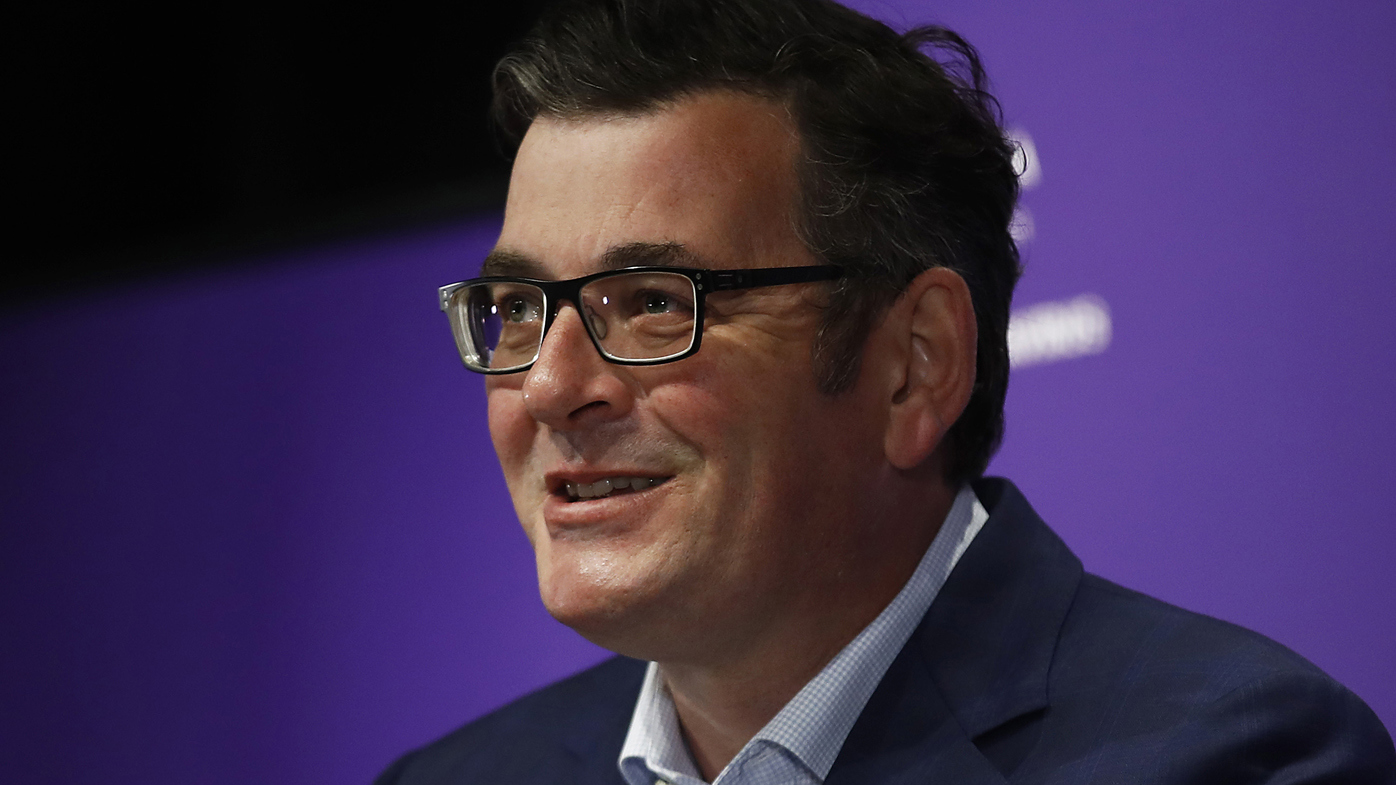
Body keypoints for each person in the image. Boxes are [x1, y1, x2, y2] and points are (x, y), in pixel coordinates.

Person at [377, 0, 1396, 782]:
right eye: (515, 306)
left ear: (917, 363)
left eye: (652, 301)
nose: (551, 385)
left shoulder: (1228, 757)